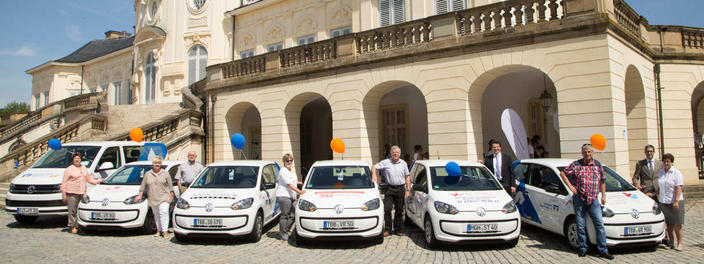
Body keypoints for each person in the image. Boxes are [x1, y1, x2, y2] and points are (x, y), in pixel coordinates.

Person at [559, 144, 613, 259]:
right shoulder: (576, 164)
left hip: (593, 199)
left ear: (592, 152)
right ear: (582, 153)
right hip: (580, 198)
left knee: (599, 224)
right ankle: (583, 248)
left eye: (589, 152)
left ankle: (603, 250)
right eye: (585, 152)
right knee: (580, 225)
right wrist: (571, 187)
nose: (587, 154)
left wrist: (603, 195)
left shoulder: (598, 165)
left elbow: (603, 181)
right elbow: (563, 173)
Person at [61, 152, 104, 234]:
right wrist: (63, 193)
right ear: (73, 160)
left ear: (81, 160)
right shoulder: (69, 169)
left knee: (80, 210)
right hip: (72, 192)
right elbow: (64, 182)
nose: (77, 160)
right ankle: (72, 226)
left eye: (79, 158)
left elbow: (88, 179)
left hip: (82, 192)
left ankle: (80, 226)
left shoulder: (83, 168)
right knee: (72, 210)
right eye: (75, 158)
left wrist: (98, 181)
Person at [372, 145, 410, 237]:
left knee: (399, 210)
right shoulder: (386, 162)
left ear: (400, 154)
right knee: (387, 209)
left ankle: (398, 229)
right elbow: (373, 166)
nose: (395, 154)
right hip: (390, 189)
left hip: (400, 188)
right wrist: (374, 175)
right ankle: (388, 229)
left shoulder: (404, 164)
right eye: (393, 152)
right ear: (391, 154)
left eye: (397, 152)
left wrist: (408, 190)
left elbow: (407, 176)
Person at [134, 156, 174, 238]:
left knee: (163, 213)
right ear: (153, 164)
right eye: (156, 163)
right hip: (152, 197)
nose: (157, 164)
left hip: (164, 197)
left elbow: (170, 186)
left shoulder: (165, 173)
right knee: (156, 214)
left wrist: (171, 196)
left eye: (159, 163)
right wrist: (140, 195)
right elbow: (142, 186)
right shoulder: (148, 174)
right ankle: (158, 230)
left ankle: (165, 231)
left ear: (161, 164)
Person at [658, 153, 685, 251]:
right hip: (664, 201)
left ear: (672, 162)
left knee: (677, 224)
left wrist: (676, 201)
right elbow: (660, 187)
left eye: (668, 161)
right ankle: (671, 242)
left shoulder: (676, 173)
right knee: (669, 224)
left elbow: (679, 187)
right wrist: (653, 194)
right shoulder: (661, 173)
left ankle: (680, 243)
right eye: (664, 161)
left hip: (675, 202)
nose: (666, 163)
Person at [276, 153, 305, 241]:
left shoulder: (290, 171)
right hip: (284, 195)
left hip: (291, 196)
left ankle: (286, 230)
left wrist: (300, 183)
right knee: (285, 215)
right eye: (287, 161)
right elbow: (288, 184)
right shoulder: (283, 171)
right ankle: (282, 234)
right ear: (284, 162)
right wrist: (299, 191)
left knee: (293, 214)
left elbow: (292, 182)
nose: (289, 162)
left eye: (291, 160)